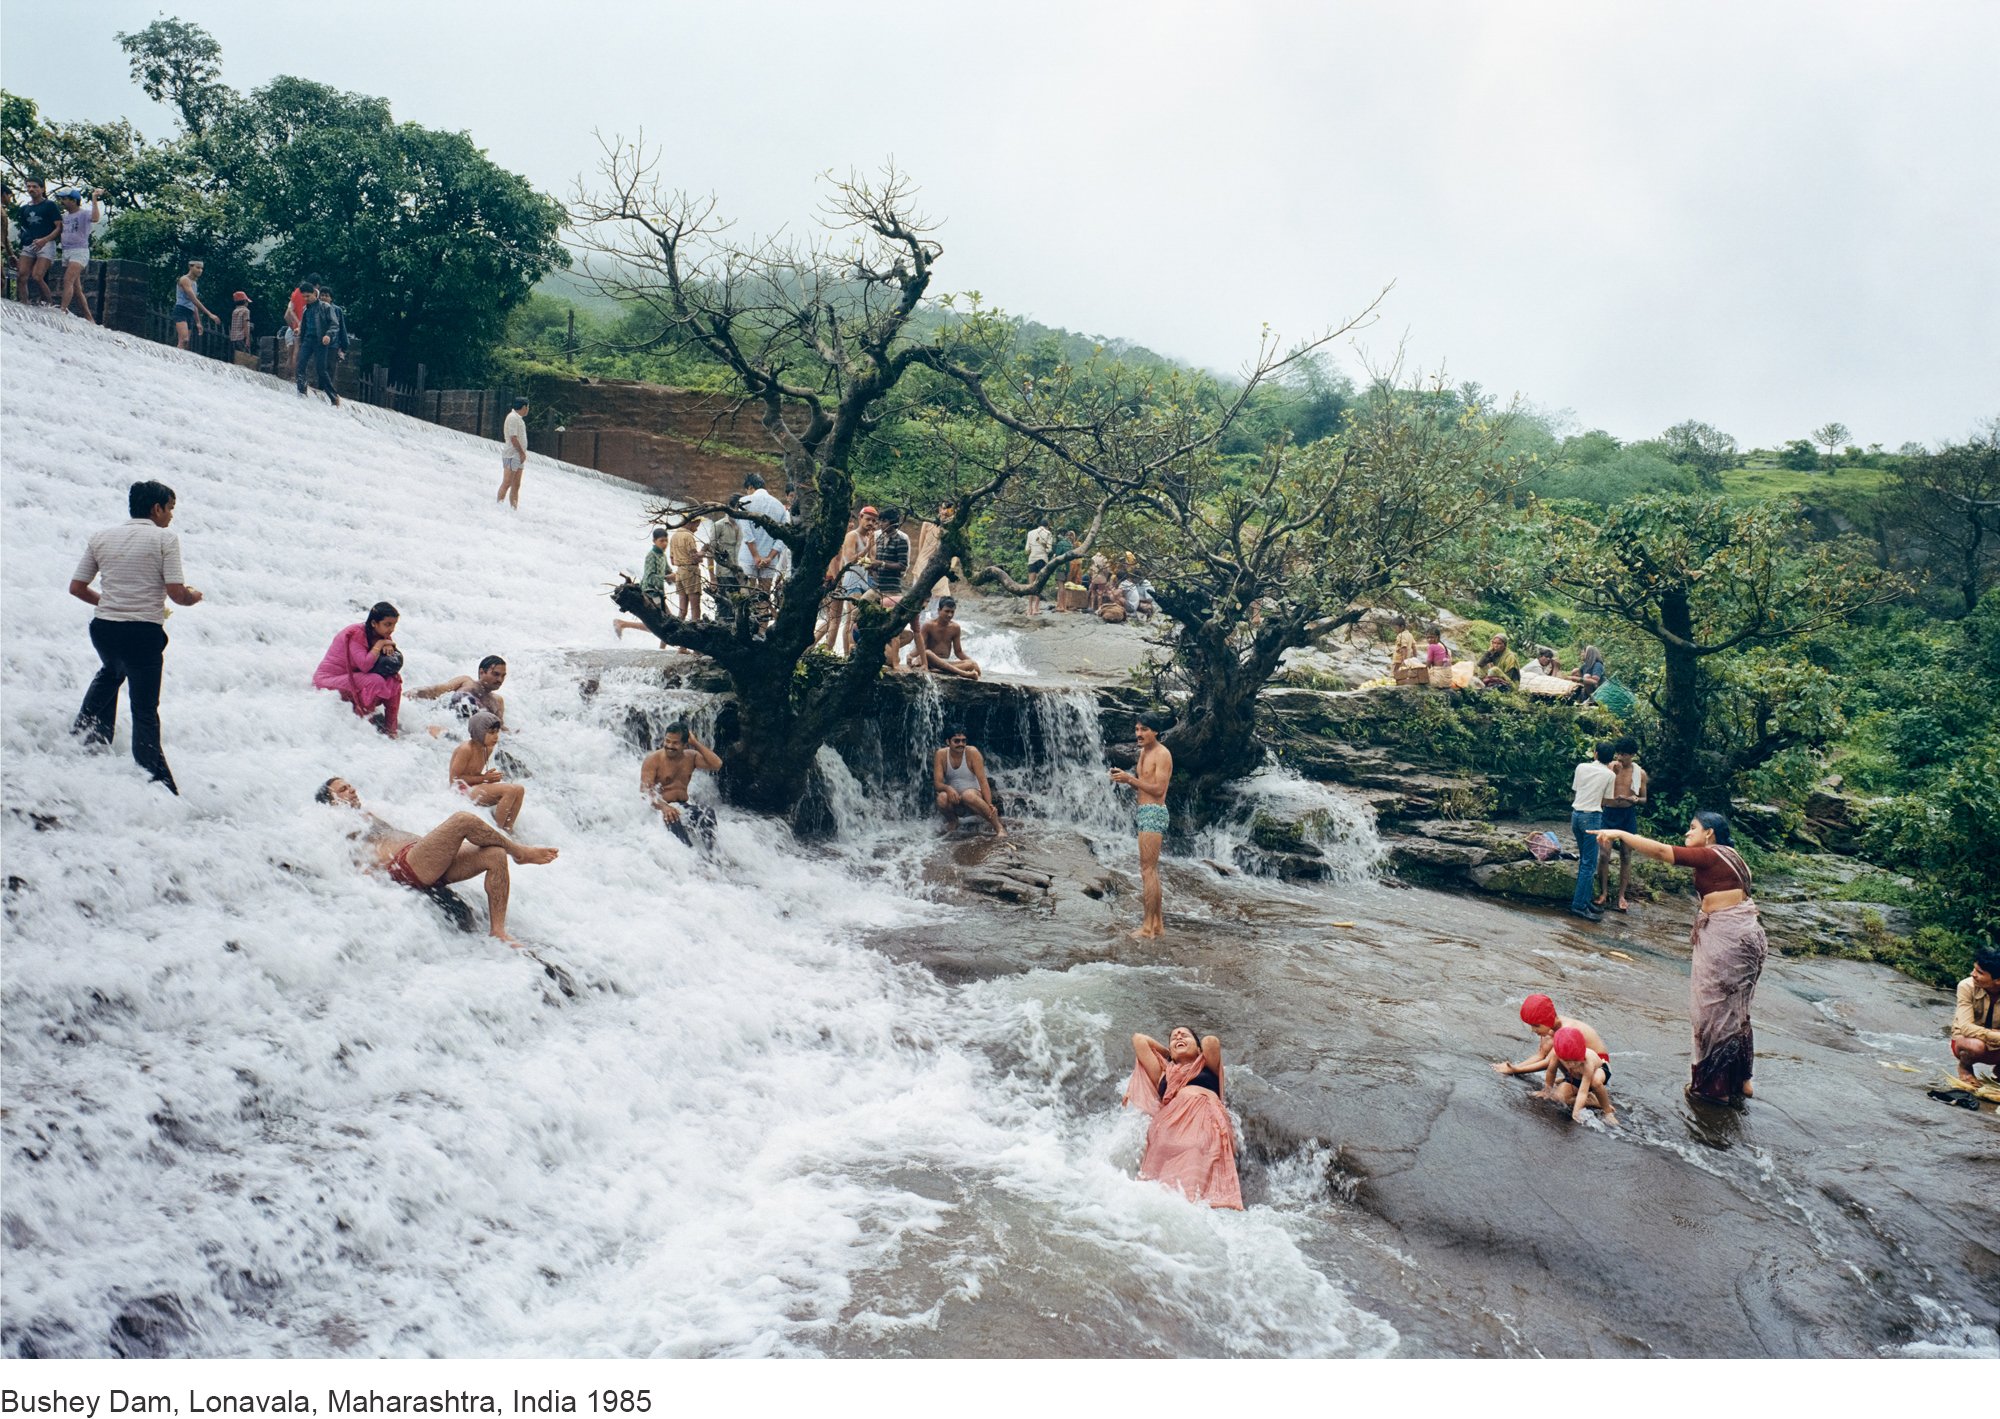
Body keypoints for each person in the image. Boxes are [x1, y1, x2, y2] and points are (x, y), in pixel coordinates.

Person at [1594, 811, 1766, 1104]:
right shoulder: (1734, 856)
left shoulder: (1711, 855)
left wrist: (1621, 834)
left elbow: (1662, 852)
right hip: (1748, 936)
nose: (1687, 833)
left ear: (1709, 833)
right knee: (1736, 1010)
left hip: (1729, 938)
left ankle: (1714, 1088)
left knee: (1712, 1011)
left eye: (1693, 828)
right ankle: (1741, 1081)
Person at [68, 480, 202, 794]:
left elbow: (76, 588)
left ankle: (83, 743)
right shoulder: (165, 538)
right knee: (144, 710)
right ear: (157, 508)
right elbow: (177, 594)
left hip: (104, 630)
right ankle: (154, 784)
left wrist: (111, 603)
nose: (171, 515)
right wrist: (194, 596)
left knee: (111, 673)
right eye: (170, 508)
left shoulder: (101, 537)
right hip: (142, 634)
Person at [316, 777, 557, 947]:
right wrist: (371, 882)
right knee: (463, 820)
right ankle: (520, 853)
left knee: (494, 854)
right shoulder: (339, 822)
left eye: (350, 785)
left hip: (425, 859)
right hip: (407, 865)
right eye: (343, 789)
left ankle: (498, 931)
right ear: (332, 802)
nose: (352, 789)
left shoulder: (366, 815)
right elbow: (349, 855)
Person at [1123, 1027, 1242, 1210]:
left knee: (1196, 1151)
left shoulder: (1208, 1066)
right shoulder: (1163, 1073)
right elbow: (1139, 1039)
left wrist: (1189, 1050)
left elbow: (1211, 1041)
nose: (1178, 1036)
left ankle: (1194, 1208)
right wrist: (1169, 1054)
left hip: (1204, 1116)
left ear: (1199, 1049)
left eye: (1185, 1035)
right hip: (1168, 1124)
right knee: (1160, 1172)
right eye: (1174, 1037)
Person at [1111, 711, 1174, 939]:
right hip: (1144, 812)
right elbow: (1143, 784)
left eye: (1144, 729)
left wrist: (1130, 779)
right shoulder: (1144, 752)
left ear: (1155, 731)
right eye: (1137, 729)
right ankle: (1157, 925)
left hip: (1154, 812)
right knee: (1151, 871)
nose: (1139, 733)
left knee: (1148, 871)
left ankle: (1147, 928)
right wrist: (1125, 779)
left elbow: (1159, 790)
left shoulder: (1162, 754)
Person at [314, 602, 405, 736]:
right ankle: (366, 727)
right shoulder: (355, 634)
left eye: (394, 625)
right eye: (388, 624)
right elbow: (365, 665)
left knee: (394, 680)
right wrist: (380, 644)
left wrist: (388, 644)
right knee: (375, 681)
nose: (392, 629)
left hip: (353, 678)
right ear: (374, 623)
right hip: (328, 680)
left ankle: (391, 730)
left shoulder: (382, 634)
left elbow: (387, 658)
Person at [641, 721, 723, 851]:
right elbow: (645, 792)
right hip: (660, 810)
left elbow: (717, 764)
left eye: (675, 743)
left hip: (682, 807)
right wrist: (664, 807)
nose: (669, 746)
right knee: (674, 820)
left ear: (685, 745)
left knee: (707, 813)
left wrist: (695, 743)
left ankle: (712, 855)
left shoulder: (691, 757)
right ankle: (691, 856)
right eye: (667, 741)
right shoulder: (653, 760)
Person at [1493, 993, 1609, 1078]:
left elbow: (1548, 1062)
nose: (1533, 1030)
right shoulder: (1549, 1028)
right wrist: (1513, 1066)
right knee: (1550, 1042)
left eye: (1536, 1026)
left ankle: (1581, 1088)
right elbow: (1540, 1055)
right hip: (1577, 1060)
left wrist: (1516, 1071)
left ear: (1547, 1019)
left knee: (1558, 1053)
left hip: (1597, 1062)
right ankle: (1571, 1080)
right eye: (1531, 1026)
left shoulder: (1566, 1030)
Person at [1595, 736, 1648, 911]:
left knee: (1626, 855)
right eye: (1618, 753)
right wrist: (1612, 774)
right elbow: (1598, 788)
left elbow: (1644, 799)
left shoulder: (1640, 773)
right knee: (1604, 854)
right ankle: (1603, 892)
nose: (1619, 757)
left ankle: (1621, 895)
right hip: (1608, 813)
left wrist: (1634, 799)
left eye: (1624, 754)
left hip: (1627, 815)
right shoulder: (1609, 767)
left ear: (1632, 755)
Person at [448, 711, 525, 831]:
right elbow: (454, 779)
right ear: (479, 732)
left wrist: (486, 777)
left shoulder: (488, 748)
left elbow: (474, 773)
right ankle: (498, 831)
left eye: (497, 732)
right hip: (461, 791)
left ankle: (508, 830)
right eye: (491, 733)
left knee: (519, 789)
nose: (496, 736)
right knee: (509, 790)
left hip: (475, 786)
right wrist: (484, 778)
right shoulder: (465, 749)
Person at [1567, 741, 1616, 921]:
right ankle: (1579, 906)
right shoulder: (1610, 775)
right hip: (1592, 817)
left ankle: (1585, 900)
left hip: (1576, 815)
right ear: (1611, 759)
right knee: (1589, 864)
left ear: (1595, 753)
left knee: (1585, 861)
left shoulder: (1581, 767)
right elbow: (1608, 800)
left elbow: (1576, 789)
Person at [933, 727, 1005, 837]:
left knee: (968, 795)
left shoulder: (972, 752)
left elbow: (983, 782)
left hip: (974, 797)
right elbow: (937, 784)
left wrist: (989, 804)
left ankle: (999, 827)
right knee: (941, 798)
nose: (961, 744)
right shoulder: (941, 754)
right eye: (957, 741)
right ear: (948, 742)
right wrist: (948, 788)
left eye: (963, 741)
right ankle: (953, 821)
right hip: (955, 799)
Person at [1538, 1026, 1617, 1125]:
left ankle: (1607, 1109)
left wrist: (1576, 1112)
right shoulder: (1557, 1054)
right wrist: (1547, 1090)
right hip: (1576, 1076)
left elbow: (1583, 1092)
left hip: (1599, 1071)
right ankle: (1591, 1100)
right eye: (1567, 1061)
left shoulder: (1587, 1062)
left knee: (1595, 1082)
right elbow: (1551, 1071)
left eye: (1575, 1060)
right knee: (1558, 1096)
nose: (1571, 1064)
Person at [1947, 949, 2000, 1087]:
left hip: (1997, 1046)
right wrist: (1994, 1035)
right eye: (1974, 969)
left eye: (1979, 972)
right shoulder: (1966, 986)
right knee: (1975, 1046)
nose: (1972, 974)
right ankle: (1965, 1068)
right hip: (1968, 1041)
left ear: (1998, 980)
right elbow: (1966, 1028)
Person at [614, 527, 673, 642]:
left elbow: (668, 572)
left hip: (659, 593)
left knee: (665, 622)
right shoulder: (651, 555)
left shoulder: (662, 555)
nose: (665, 543)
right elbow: (650, 577)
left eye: (666, 541)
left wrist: (676, 578)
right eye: (661, 541)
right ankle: (622, 623)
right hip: (650, 592)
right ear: (654, 541)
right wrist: (668, 578)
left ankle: (622, 624)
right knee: (663, 623)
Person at [52, 188, 102, 322]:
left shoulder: (83, 214)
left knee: (68, 280)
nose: (62, 202)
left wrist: (94, 198)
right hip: (66, 251)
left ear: (74, 201)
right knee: (76, 287)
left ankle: (62, 310)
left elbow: (95, 218)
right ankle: (89, 318)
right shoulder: (65, 216)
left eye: (64, 199)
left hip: (79, 251)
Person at [736, 472, 790, 593]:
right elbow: (782, 536)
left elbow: (747, 532)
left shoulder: (744, 502)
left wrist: (756, 556)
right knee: (764, 597)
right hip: (769, 559)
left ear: (750, 487)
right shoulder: (779, 506)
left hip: (748, 557)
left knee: (746, 597)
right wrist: (769, 557)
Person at [413, 655, 508, 723]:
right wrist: (412, 694)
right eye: (496, 674)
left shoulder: (498, 701)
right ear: (482, 672)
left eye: (503, 676)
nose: (500, 680)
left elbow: (499, 727)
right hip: (443, 722)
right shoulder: (466, 682)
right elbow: (435, 691)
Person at [296, 285, 348, 404]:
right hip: (307, 341)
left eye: (308, 296)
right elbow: (304, 325)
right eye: (304, 297)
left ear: (315, 293)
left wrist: (328, 335)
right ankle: (301, 392)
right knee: (300, 365)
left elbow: (335, 325)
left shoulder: (325, 307)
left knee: (321, 370)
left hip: (320, 341)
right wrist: (299, 331)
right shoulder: (305, 309)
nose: (306, 299)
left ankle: (334, 397)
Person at [15, 179, 61, 305]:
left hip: (46, 243)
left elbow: (59, 227)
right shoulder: (24, 209)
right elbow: (24, 229)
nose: (31, 189)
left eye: (35, 187)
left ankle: (49, 305)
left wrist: (44, 240)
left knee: (37, 276)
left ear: (42, 189)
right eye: (29, 186)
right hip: (30, 243)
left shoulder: (50, 205)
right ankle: (24, 303)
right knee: (21, 275)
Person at [912, 596, 982, 679]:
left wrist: (973, 662)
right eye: (947, 611)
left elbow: (958, 652)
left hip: (945, 663)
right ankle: (963, 673)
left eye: (952, 612)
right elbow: (920, 646)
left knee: (972, 664)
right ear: (939, 610)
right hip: (930, 662)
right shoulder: (928, 625)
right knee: (927, 652)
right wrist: (910, 656)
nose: (949, 615)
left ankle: (941, 671)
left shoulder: (955, 628)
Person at [171, 259, 218, 350]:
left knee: (185, 343)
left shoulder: (194, 283)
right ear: (190, 267)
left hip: (189, 312)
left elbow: (194, 304)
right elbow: (194, 300)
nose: (200, 270)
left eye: (201, 268)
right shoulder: (184, 280)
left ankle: (178, 357)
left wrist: (198, 322)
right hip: (181, 310)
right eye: (198, 268)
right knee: (184, 339)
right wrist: (210, 314)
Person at [708, 508, 746, 617]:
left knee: (739, 607)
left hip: (740, 573)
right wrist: (712, 578)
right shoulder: (718, 525)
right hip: (724, 572)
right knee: (724, 607)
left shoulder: (743, 525)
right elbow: (710, 551)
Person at [669, 518, 704, 627]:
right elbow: (694, 558)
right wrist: (703, 552)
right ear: (690, 523)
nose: (696, 529)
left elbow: (672, 561)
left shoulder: (674, 536)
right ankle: (696, 631)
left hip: (679, 572)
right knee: (695, 607)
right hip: (690, 572)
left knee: (682, 610)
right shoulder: (688, 536)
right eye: (696, 526)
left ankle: (678, 631)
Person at [496, 396, 530, 509]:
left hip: (518, 455)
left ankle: (513, 509)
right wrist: (521, 453)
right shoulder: (512, 417)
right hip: (512, 454)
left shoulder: (519, 419)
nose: (528, 409)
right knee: (507, 482)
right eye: (528, 407)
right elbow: (513, 438)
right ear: (524, 407)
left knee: (516, 485)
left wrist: (522, 454)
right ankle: (498, 506)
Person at [281, 278, 315, 378]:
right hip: (300, 329)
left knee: (290, 356)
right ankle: (295, 377)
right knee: (297, 353)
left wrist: (293, 327)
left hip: (292, 328)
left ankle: (288, 377)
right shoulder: (309, 298)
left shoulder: (294, 296)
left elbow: (286, 315)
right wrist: (299, 325)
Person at [1024, 518, 1053, 616]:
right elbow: (1049, 550)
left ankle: (1029, 609)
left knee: (1031, 585)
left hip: (1032, 559)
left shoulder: (1030, 533)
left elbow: (1027, 549)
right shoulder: (1048, 533)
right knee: (1039, 585)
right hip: (1042, 560)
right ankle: (1036, 608)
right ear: (1047, 526)